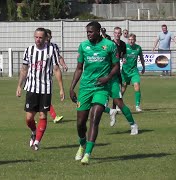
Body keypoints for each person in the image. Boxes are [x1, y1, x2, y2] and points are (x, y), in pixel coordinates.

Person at [69, 21, 119, 165]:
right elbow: (79, 68)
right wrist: (72, 87)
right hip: (85, 88)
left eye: (91, 32)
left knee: (94, 118)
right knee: (80, 123)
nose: (88, 34)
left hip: (101, 88)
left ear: (98, 31)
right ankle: (82, 144)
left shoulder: (109, 45)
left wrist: (108, 77)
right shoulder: (83, 46)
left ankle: (87, 154)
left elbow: (116, 66)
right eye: (87, 32)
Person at [16, 27, 64, 151]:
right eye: (36, 37)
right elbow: (24, 69)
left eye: (40, 37)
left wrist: (61, 88)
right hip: (31, 87)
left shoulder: (51, 50)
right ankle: (33, 131)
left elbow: (56, 69)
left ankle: (37, 141)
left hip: (46, 88)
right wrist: (19, 86)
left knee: (43, 116)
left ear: (45, 38)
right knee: (29, 118)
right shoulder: (29, 50)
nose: (38, 40)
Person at [103, 27, 139, 135]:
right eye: (116, 33)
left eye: (119, 33)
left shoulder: (123, 45)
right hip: (104, 78)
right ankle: (111, 111)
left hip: (114, 78)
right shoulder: (108, 43)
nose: (117, 35)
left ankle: (133, 125)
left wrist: (123, 58)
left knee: (120, 103)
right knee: (97, 104)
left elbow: (123, 56)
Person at [45, 29, 67, 123]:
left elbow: (58, 57)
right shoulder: (36, 48)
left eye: (49, 36)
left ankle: (53, 117)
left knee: (44, 98)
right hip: (36, 78)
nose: (48, 38)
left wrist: (63, 64)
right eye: (46, 36)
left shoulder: (53, 47)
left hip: (47, 77)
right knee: (42, 98)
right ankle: (53, 117)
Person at [121, 33, 145, 112]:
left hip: (134, 71)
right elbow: (119, 55)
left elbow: (141, 58)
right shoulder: (124, 47)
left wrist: (143, 67)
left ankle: (137, 106)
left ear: (135, 40)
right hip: (125, 71)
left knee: (137, 85)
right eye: (129, 39)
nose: (131, 41)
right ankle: (118, 105)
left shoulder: (138, 48)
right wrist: (122, 58)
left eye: (132, 40)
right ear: (128, 40)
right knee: (123, 88)